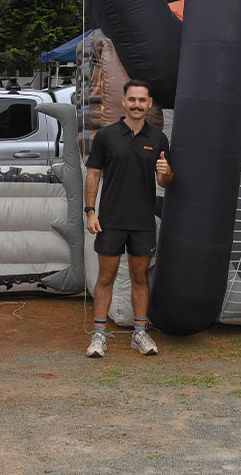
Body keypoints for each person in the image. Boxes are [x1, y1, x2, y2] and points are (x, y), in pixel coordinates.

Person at [83, 79, 173, 357]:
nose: (137, 105)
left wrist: (166, 171)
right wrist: (90, 212)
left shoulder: (158, 139)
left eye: (142, 100)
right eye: (132, 99)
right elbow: (93, 174)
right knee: (106, 277)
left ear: (149, 104)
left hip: (143, 223)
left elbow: (166, 181)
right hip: (109, 220)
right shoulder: (107, 136)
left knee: (140, 278)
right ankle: (99, 336)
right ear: (123, 102)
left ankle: (139, 334)